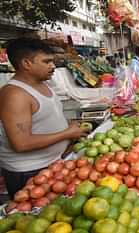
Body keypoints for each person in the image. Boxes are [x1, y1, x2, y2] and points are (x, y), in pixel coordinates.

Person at [0, 38, 87, 197]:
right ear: (26, 63)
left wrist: (67, 125)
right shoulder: (15, 95)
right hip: (30, 171)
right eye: (46, 62)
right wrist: (67, 134)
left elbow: (43, 118)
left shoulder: (43, 84)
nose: (53, 66)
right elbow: (21, 143)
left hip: (52, 164)